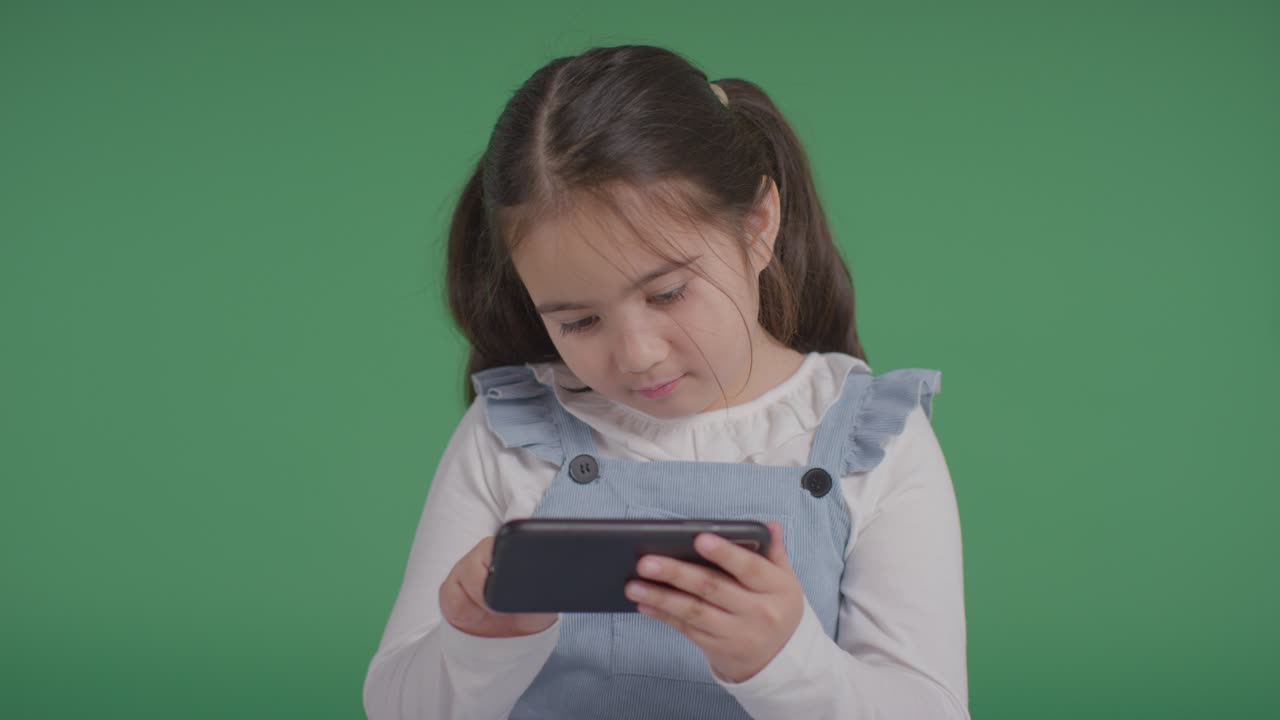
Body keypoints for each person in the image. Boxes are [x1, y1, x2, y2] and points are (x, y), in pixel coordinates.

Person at [363, 44, 968, 720]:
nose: (639, 355)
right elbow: (397, 708)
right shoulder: (511, 435)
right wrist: (478, 643)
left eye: (670, 293)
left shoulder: (872, 443)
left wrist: (782, 661)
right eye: (581, 320)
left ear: (759, 225)